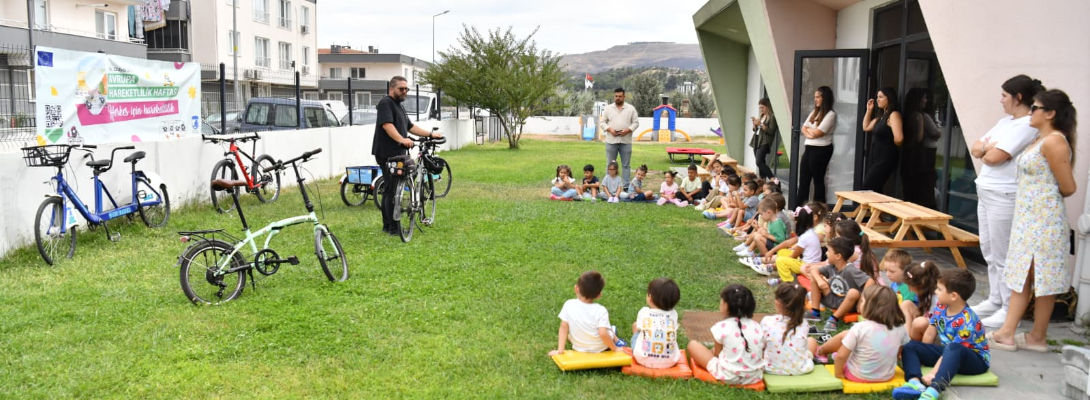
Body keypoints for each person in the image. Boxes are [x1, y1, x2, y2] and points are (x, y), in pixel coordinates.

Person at [990, 89, 1078, 352]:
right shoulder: (1041, 139)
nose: (1030, 112)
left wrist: (1043, 197)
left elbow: (1068, 186)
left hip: (1044, 220)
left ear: (1049, 113)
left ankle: (1023, 334)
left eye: (1035, 108)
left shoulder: (1054, 142)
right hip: (1029, 219)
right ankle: (1024, 334)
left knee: (1039, 276)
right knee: (1024, 275)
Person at [967, 75, 1043, 328]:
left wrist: (988, 150)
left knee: (1004, 254)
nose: (1000, 100)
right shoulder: (1004, 122)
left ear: (1018, 97)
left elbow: (994, 157)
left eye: (1004, 95)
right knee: (988, 250)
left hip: (1005, 194)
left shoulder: (1027, 125)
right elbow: (976, 148)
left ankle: (1009, 307)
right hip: (986, 190)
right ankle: (995, 299)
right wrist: (987, 149)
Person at [896, 269, 990, 400]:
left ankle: (934, 390)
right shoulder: (941, 306)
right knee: (910, 346)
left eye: (939, 289)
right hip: (948, 352)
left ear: (953, 296)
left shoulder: (967, 321)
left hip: (974, 361)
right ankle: (914, 382)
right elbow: (930, 332)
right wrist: (923, 353)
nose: (935, 291)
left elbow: (953, 349)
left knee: (953, 347)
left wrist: (933, 373)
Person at [373, 76, 444, 235]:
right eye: (401, 89)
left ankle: (391, 224)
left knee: (394, 188)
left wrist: (431, 135)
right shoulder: (386, 103)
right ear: (392, 89)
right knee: (391, 190)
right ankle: (391, 227)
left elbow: (410, 126)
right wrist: (401, 139)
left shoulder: (399, 106)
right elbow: (387, 125)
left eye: (406, 89)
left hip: (398, 153)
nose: (404, 91)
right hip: (387, 153)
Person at [687, 284, 765, 385]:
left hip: (728, 376)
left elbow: (717, 355)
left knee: (692, 345)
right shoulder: (757, 327)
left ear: (726, 305)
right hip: (754, 377)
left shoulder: (721, 327)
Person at [828, 285, 907, 383]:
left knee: (844, 340)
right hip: (886, 376)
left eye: (862, 301)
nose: (860, 304)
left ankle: (821, 352)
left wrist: (838, 374)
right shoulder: (900, 328)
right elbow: (898, 351)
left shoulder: (860, 328)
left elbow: (841, 356)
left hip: (857, 375)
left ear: (871, 306)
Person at [808, 237, 875, 333]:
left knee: (853, 292)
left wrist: (862, 300)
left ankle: (833, 319)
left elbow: (870, 281)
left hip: (847, 304)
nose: (826, 253)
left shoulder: (850, 270)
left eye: (828, 251)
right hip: (832, 298)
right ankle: (815, 313)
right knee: (814, 279)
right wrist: (820, 280)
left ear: (838, 256)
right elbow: (813, 270)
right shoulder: (832, 267)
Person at [549, 271, 619, 356]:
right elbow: (603, 333)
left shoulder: (569, 304)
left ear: (576, 289)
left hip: (579, 347)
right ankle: (617, 340)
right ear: (599, 295)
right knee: (610, 330)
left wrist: (560, 351)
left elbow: (564, 327)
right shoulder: (601, 310)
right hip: (601, 348)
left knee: (570, 336)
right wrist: (615, 349)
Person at [763, 282, 815, 376]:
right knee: (812, 341)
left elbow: (762, 345)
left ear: (777, 303)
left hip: (771, 368)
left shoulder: (767, 321)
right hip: (801, 369)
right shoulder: (804, 323)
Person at [797, 86, 837, 205]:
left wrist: (810, 132)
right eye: (815, 97)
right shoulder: (814, 112)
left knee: (818, 180)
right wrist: (811, 132)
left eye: (818, 97)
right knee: (804, 180)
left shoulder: (830, 115)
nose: (815, 99)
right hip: (809, 148)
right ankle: (798, 209)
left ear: (825, 98)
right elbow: (803, 128)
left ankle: (818, 209)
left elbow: (819, 133)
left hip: (821, 150)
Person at [630, 277, 682, 369]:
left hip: (642, 359)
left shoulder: (644, 312)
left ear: (650, 297)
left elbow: (639, 328)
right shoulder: (673, 315)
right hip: (670, 361)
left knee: (635, 326)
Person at [861, 87, 903, 192]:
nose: (877, 99)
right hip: (876, 157)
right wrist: (869, 110)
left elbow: (899, 138)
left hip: (885, 157)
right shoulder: (881, 116)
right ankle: (877, 209)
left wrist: (888, 146)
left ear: (889, 98)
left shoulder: (894, 115)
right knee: (875, 188)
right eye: (877, 97)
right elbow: (866, 127)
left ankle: (870, 209)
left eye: (880, 97)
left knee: (868, 186)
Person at [599, 88, 640, 184]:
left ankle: (625, 185)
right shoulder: (608, 108)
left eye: (620, 96)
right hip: (611, 141)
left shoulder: (631, 109)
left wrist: (627, 130)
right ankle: (608, 184)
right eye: (616, 96)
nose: (618, 98)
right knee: (610, 164)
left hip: (626, 141)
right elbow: (602, 122)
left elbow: (636, 123)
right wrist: (610, 129)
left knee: (626, 165)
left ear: (624, 97)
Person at [902, 261, 941, 342]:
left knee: (919, 323)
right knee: (906, 304)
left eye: (910, 286)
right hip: (928, 319)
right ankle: (907, 339)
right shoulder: (927, 293)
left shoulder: (939, 298)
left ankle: (914, 344)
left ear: (920, 285)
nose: (909, 289)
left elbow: (938, 321)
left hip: (936, 331)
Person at [750, 98, 779, 179]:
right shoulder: (762, 116)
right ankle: (763, 181)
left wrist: (761, 124)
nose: (760, 109)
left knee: (759, 162)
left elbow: (771, 131)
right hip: (757, 140)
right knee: (761, 162)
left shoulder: (772, 117)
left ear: (768, 107)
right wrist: (754, 124)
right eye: (759, 107)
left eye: (762, 107)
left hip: (764, 142)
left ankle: (773, 178)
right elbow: (755, 130)